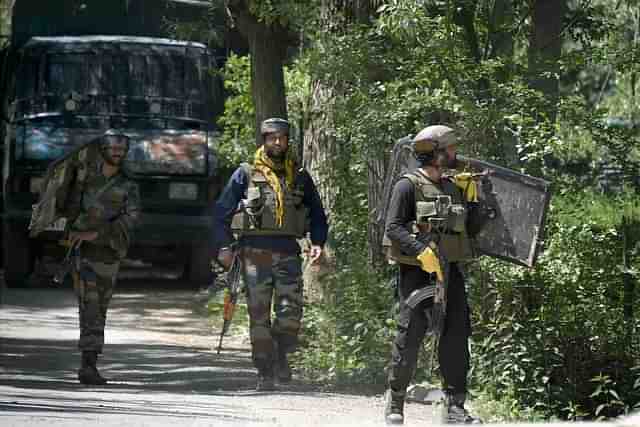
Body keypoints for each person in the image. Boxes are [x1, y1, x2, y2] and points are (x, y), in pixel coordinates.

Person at [213, 117, 328, 391]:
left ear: (288, 140)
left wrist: (318, 242)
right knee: (259, 315)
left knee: (290, 315)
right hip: (255, 253)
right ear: (263, 140)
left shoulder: (299, 175)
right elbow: (220, 213)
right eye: (272, 137)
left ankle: (280, 353)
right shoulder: (246, 173)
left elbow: (318, 215)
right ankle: (265, 370)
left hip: (289, 252)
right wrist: (224, 247)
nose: (277, 142)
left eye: (282, 137)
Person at [383, 125, 481, 424]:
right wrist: (420, 251)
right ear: (436, 152)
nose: (454, 154)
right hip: (417, 273)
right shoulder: (407, 185)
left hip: (450, 271)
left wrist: (472, 198)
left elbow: (471, 231)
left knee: (455, 337)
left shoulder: (454, 187)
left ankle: (454, 407)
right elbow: (393, 227)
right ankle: (395, 402)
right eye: (450, 149)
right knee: (409, 337)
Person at [61, 130, 140, 385]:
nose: (117, 152)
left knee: (99, 308)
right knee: (89, 305)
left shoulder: (128, 185)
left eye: (121, 149)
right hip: (83, 254)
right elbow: (68, 208)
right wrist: (73, 231)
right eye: (113, 148)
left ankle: (90, 361)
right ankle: (88, 364)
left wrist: (96, 233)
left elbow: (130, 219)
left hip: (109, 253)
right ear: (103, 150)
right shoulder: (84, 180)